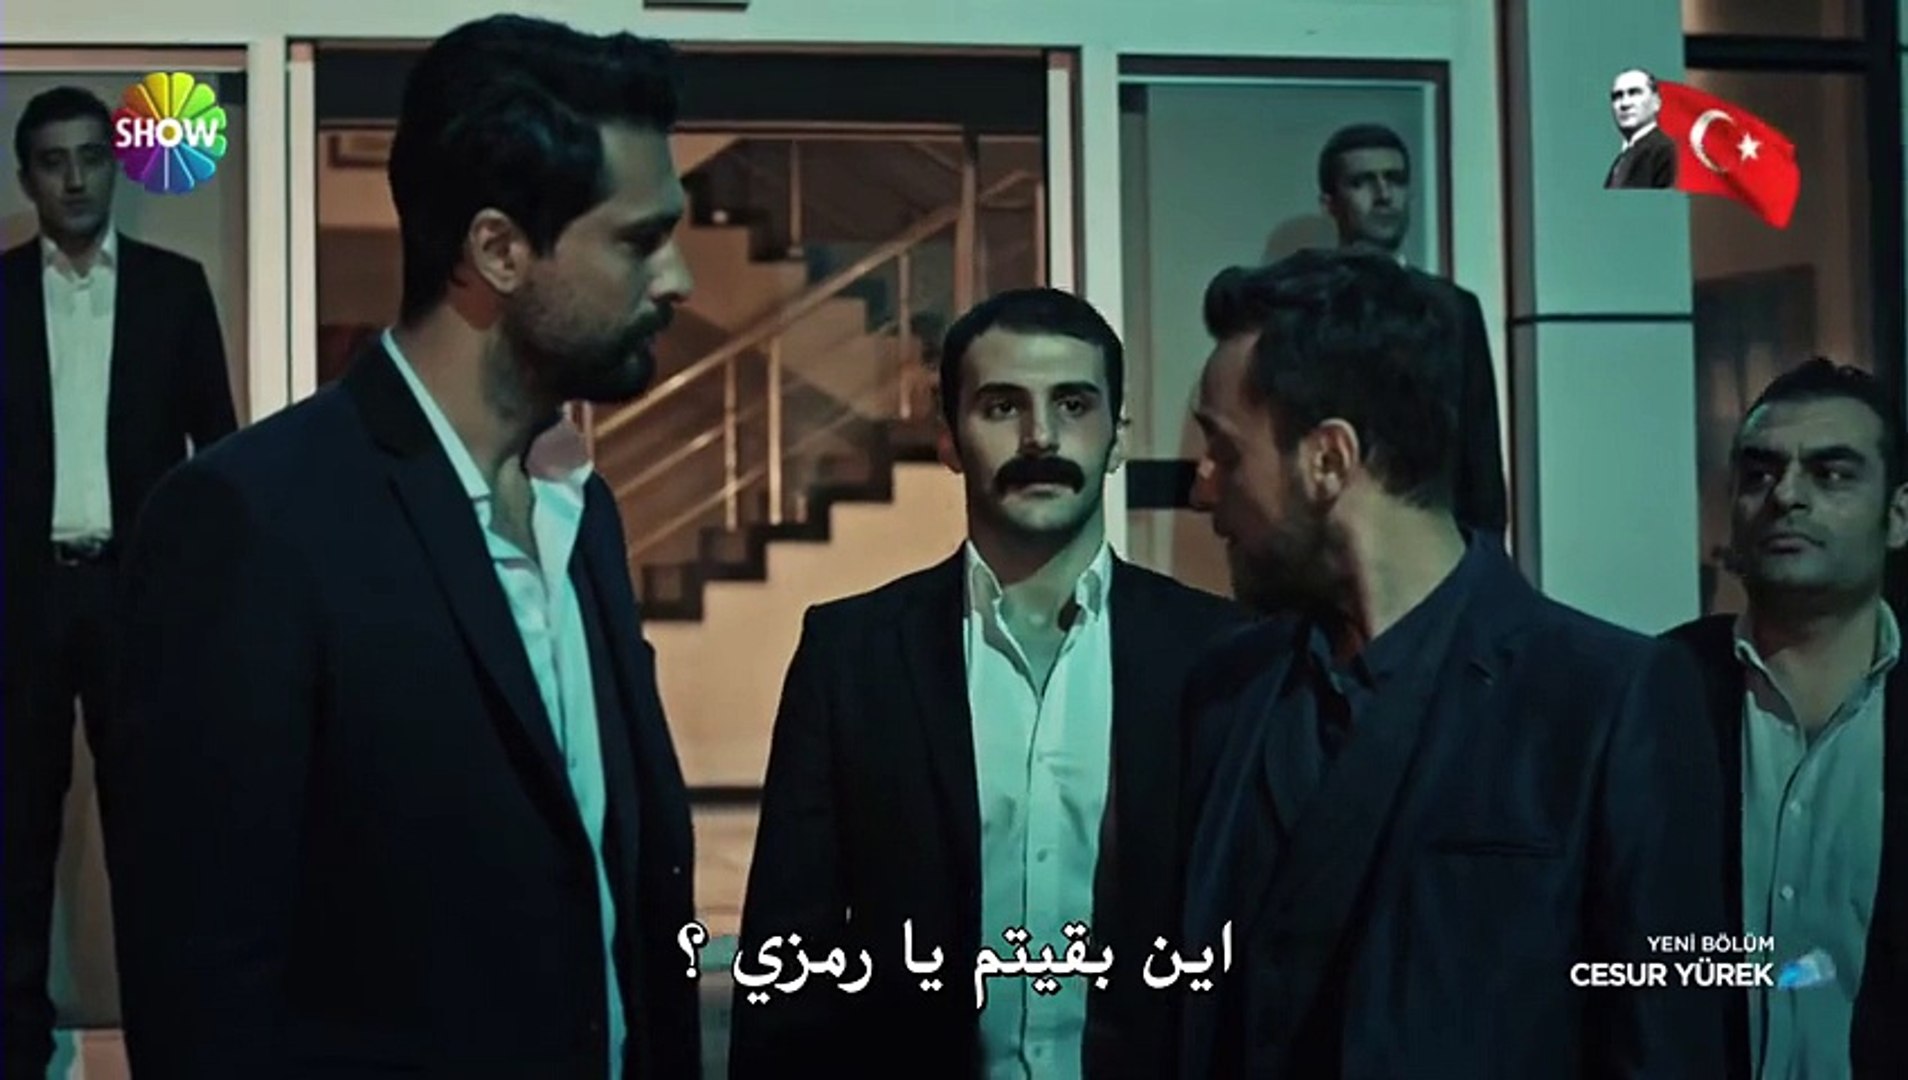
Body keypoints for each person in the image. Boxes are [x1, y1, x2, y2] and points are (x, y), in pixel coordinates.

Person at [107, 15, 700, 1078]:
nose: (678, 278)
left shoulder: (581, 509)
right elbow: (204, 988)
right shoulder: (253, 522)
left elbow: (621, 909)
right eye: (638, 240)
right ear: (498, 250)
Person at [1176, 249, 1727, 1078]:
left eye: (1224, 451)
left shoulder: (1605, 703)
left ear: (1327, 460)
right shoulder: (1227, 692)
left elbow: (1668, 1048)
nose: (1203, 488)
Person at [729, 288, 1249, 1080]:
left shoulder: (1220, 654)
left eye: (1073, 404)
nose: (1040, 437)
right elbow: (786, 962)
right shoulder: (853, 656)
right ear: (948, 436)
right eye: (1003, 406)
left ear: (1117, 437)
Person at [0, 84, 237, 1076]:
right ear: (28, 178)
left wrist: (204, 600)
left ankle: (172, 1046)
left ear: (115, 168)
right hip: (20, 601)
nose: (75, 179)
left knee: (155, 834)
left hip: (136, 598)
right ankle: (16, 1050)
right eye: (54, 161)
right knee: (14, 837)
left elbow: (218, 453)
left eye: (92, 157)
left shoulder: (174, 289)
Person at [1665, 359, 1907, 1080]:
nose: (1786, 496)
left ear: (1898, 516)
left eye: (1831, 474)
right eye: (1760, 474)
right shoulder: (1653, 696)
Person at [1314, 123, 1507, 535]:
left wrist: (1485, 550)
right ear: (1330, 203)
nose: (1384, 195)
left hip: (1437, 540)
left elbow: (1479, 449)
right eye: (1362, 182)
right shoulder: (1310, 305)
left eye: (1396, 179)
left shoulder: (1455, 309)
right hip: (1336, 536)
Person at [1606, 68, 1677, 189]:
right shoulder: (1622, 160)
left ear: (1656, 102)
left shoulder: (1667, 152)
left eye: (1634, 93)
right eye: (1617, 96)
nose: (1625, 103)